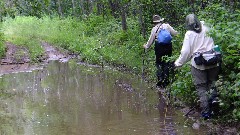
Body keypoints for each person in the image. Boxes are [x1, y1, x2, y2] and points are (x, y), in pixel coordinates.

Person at [174, 14, 220, 119]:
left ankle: (206, 113)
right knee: (213, 83)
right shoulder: (207, 26)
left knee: (201, 87)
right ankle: (215, 106)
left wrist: (178, 63)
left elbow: (185, 52)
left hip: (199, 64)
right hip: (213, 60)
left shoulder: (189, 34)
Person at [143, 15, 178, 88]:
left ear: (154, 22)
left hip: (159, 46)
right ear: (161, 20)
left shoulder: (154, 29)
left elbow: (151, 40)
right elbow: (175, 33)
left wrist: (146, 46)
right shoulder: (167, 26)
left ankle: (160, 79)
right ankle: (166, 80)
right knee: (167, 62)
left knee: (159, 63)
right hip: (168, 46)